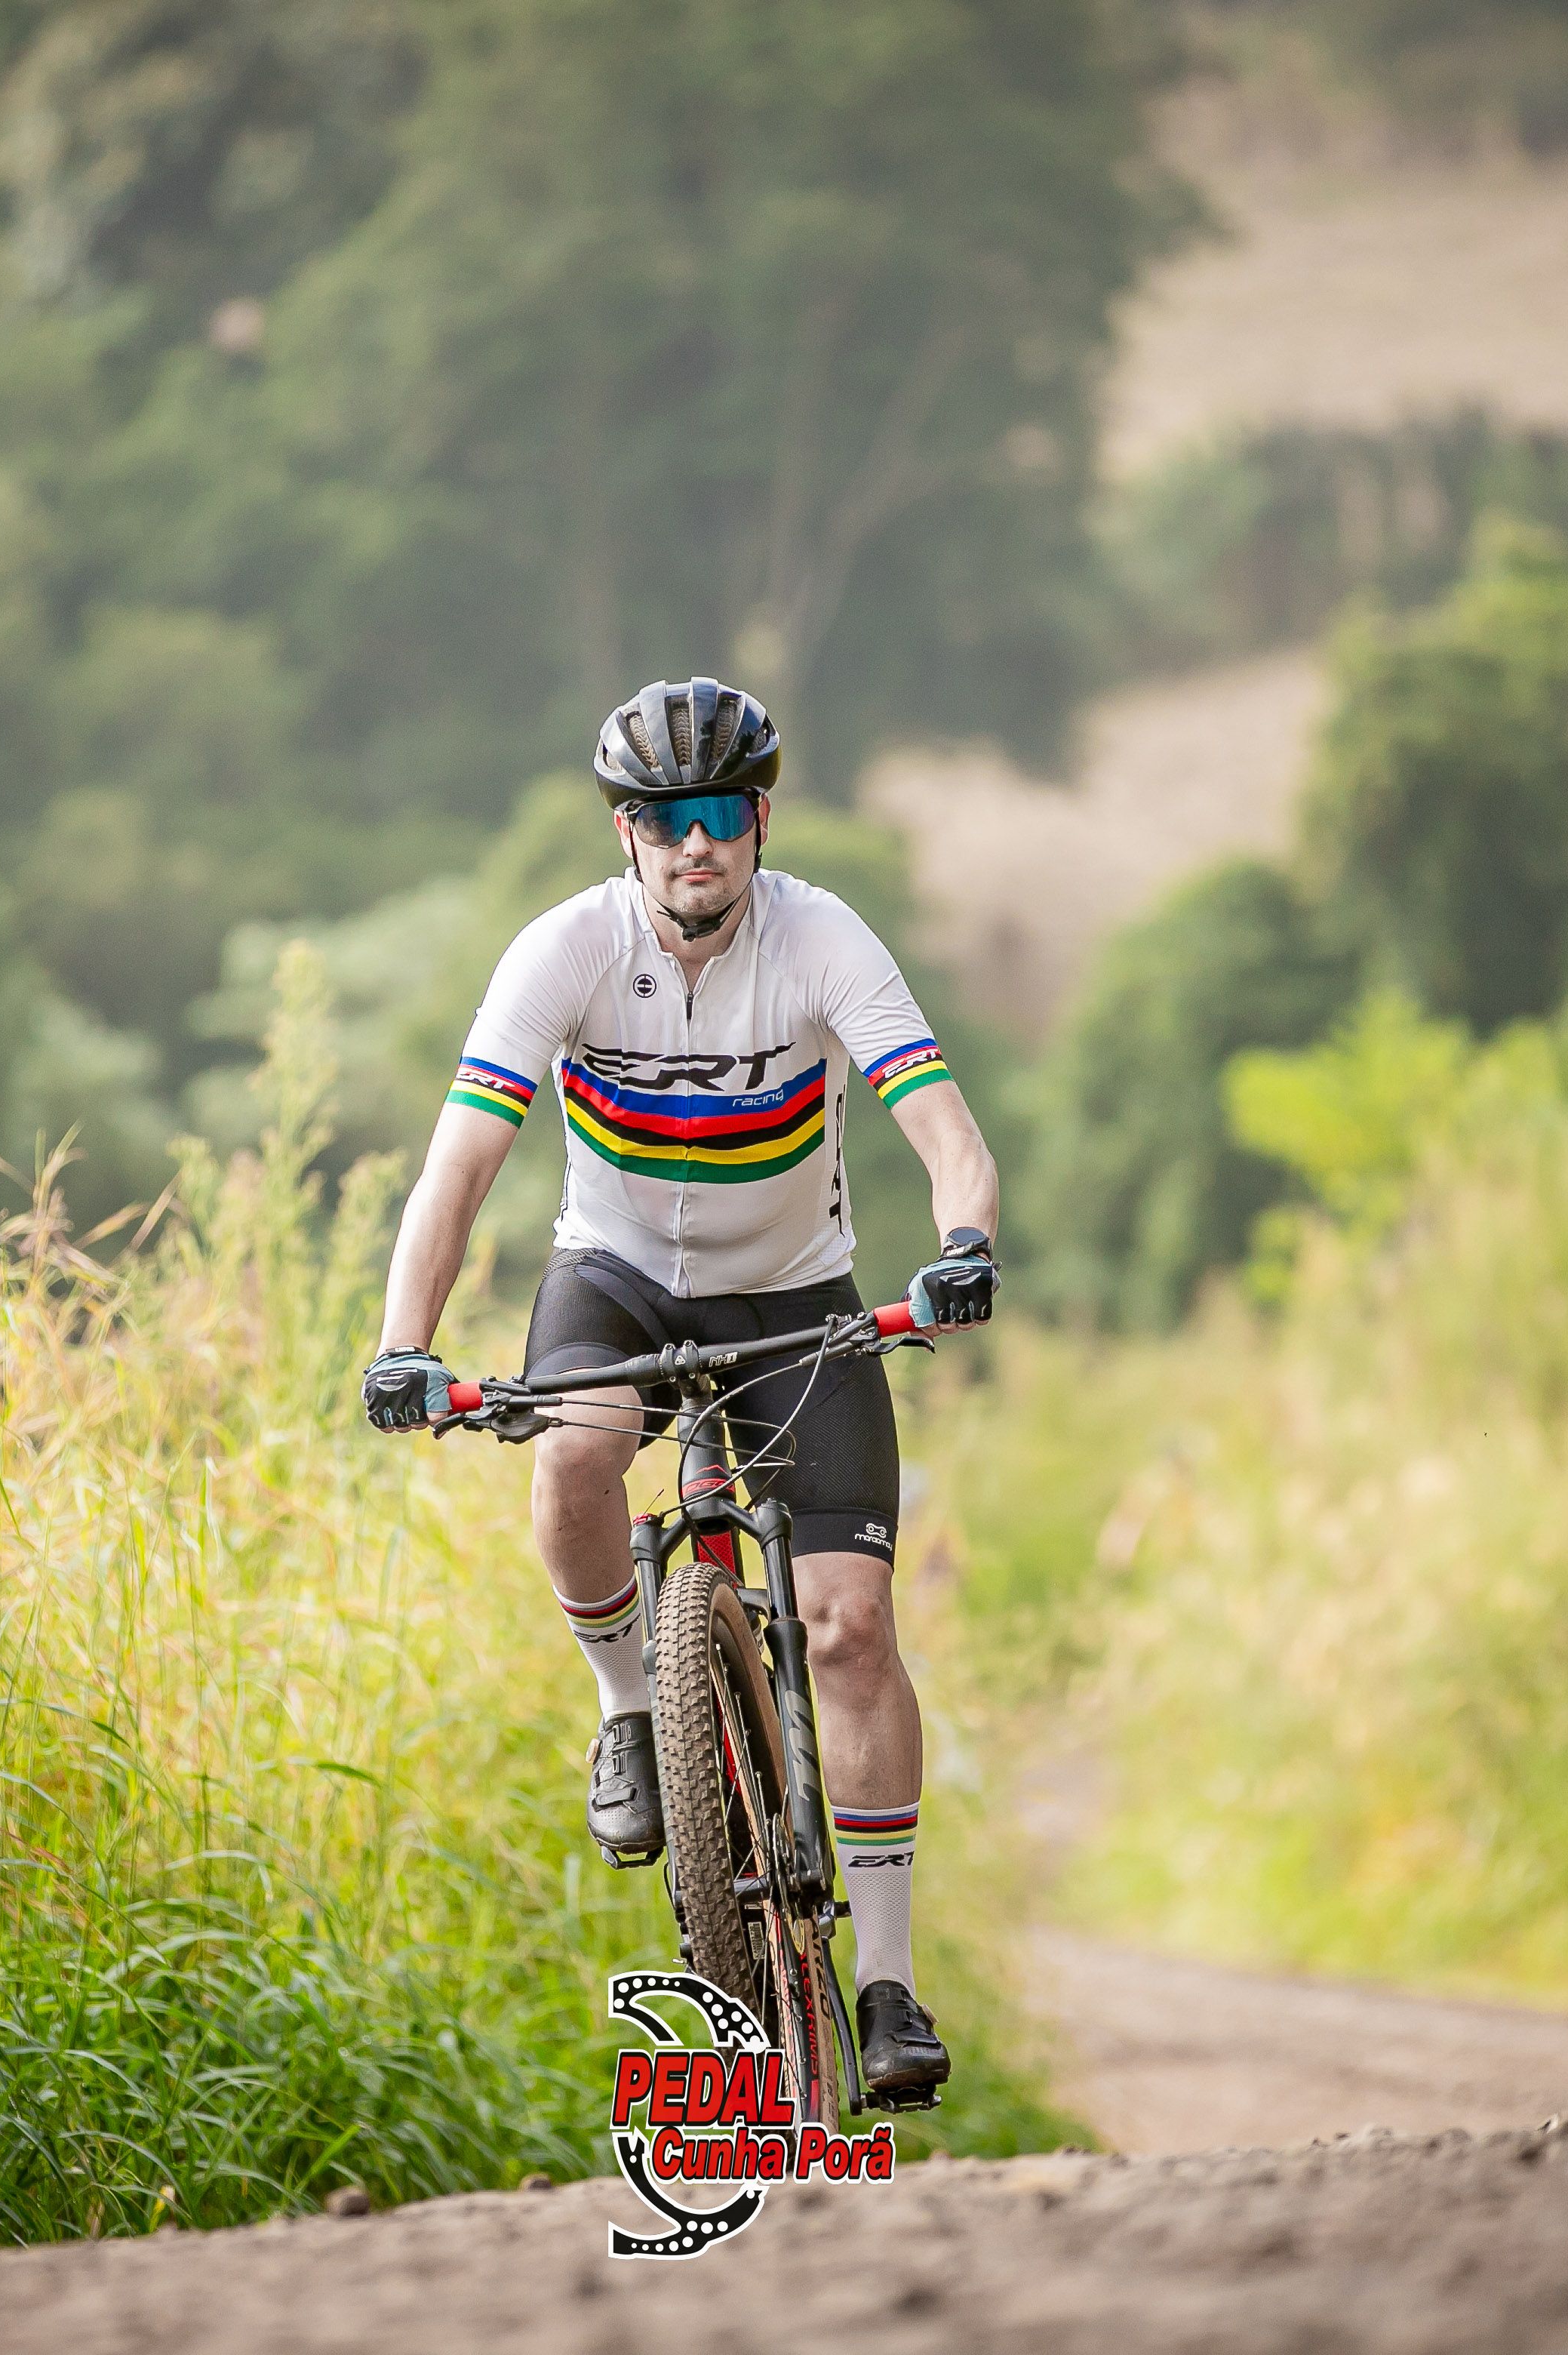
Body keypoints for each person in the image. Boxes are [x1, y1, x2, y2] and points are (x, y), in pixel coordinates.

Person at [358, 676, 1001, 2101]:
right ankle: (629, 1711)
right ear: (626, 832)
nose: (693, 843)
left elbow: (945, 1129)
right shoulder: (565, 950)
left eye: (718, 812)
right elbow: (459, 1166)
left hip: (796, 1300)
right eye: (663, 818)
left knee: (850, 1627)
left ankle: (888, 1983)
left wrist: (963, 1243)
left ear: (760, 820)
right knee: (574, 1451)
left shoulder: (823, 939)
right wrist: (405, 1340)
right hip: (619, 1279)